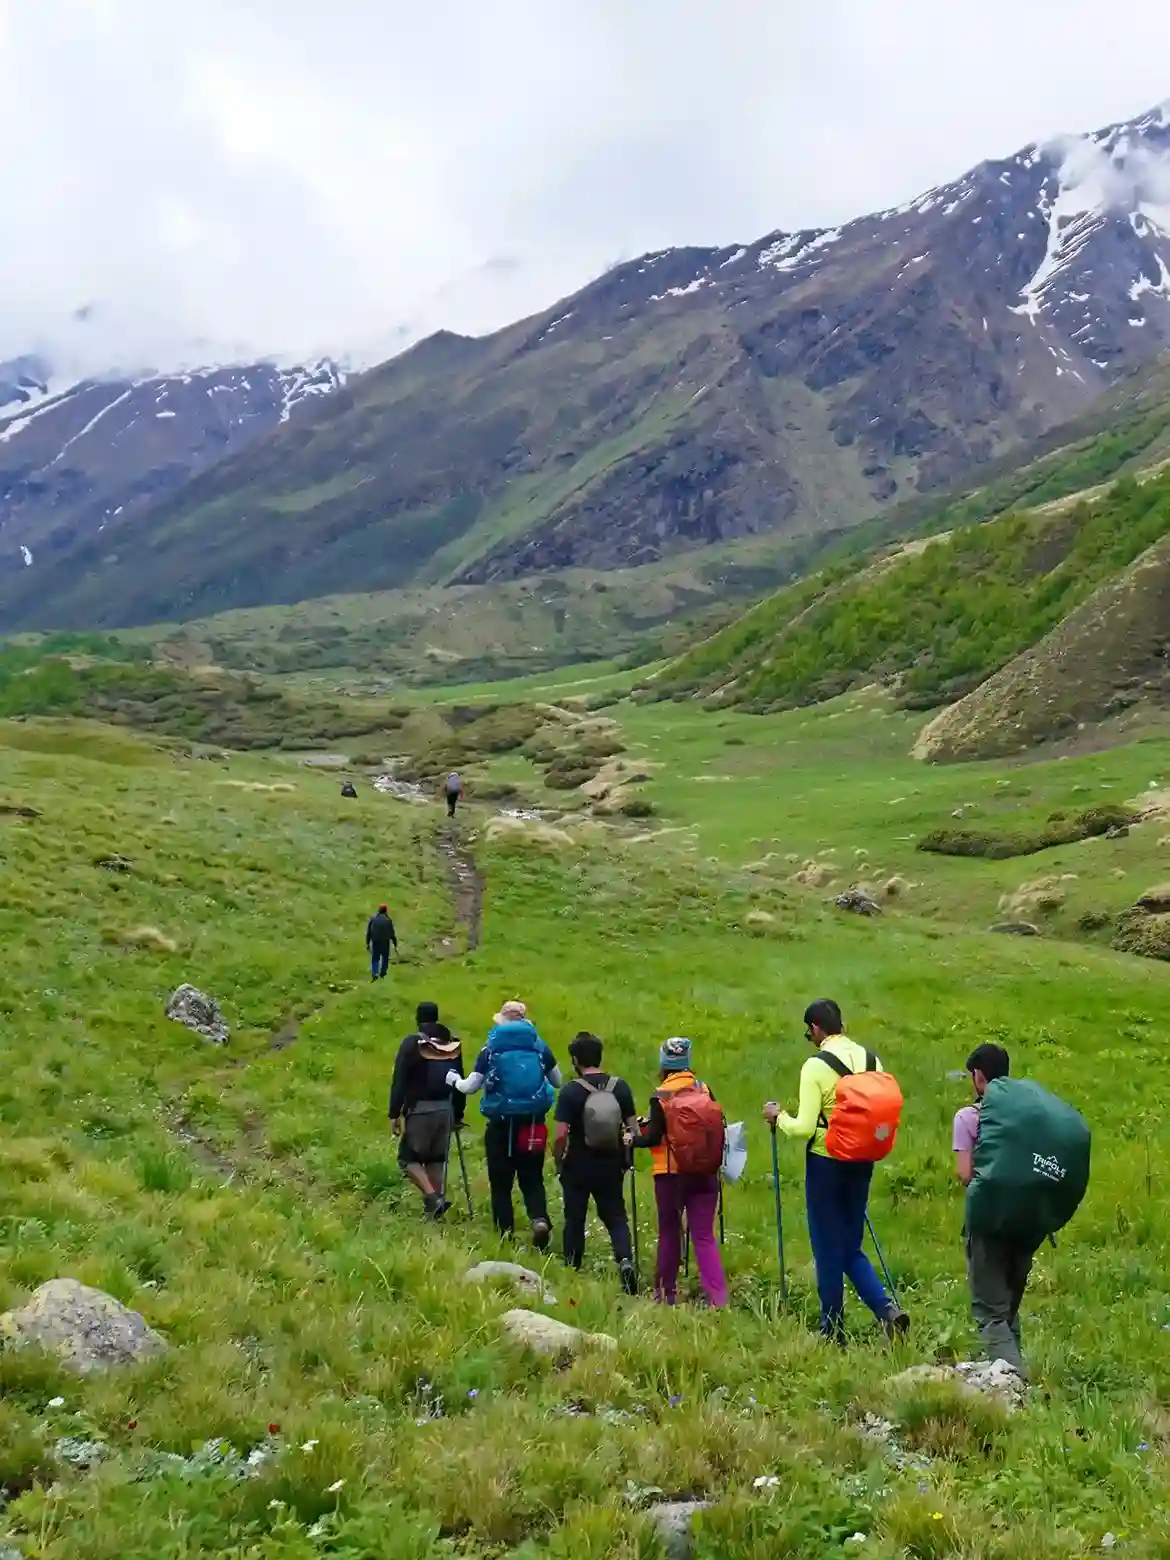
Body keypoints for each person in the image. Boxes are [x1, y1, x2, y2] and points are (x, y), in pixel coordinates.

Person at [764, 999, 908, 1344]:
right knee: (850, 1245)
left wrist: (778, 1117)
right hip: (864, 1159)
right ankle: (886, 1310)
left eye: (809, 1032)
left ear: (816, 1028)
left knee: (828, 1248)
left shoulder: (816, 1066)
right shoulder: (872, 1059)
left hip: (826, 1162)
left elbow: (803, 1128)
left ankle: (833, 1330)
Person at [449, 999, 560, 1247]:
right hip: (532, 1124)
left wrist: (454, 1080)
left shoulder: (490, 1049)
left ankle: (505, 1235)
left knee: (500, 1183)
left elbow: (471, 1086)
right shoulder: (539, 1046)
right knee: (532, 1178)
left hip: (500, 1125)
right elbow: (558, 1081)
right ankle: (539, 1220)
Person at [954, 1042, 1035, 1377]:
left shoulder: (969, 1117)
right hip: (1028, 1219)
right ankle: (1014, 1371)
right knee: (1009, 1308)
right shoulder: (1026, 1116)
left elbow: (965, 1174)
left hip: (988, 1220)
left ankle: (1014, 1382)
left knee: (990, 1312)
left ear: (978, 1076)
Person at [630, 1037, 728, 1308]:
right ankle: (718, 1298)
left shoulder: (661, 1096)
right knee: (704, 1237)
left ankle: (665, 1294)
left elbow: (653, 1137)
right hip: (706, 1171)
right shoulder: (703, 1089)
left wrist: (633, 1138)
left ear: (664, 1062)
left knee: (670, 1233)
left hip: (670, 1173)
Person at [554, 1032, 639, 1294]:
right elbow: (633, 1129)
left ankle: (572, 1269)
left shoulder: (571, 1091)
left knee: (575, 1217)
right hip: (611, 1163)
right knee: (616, 1216)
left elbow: (560, 1135)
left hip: (578, 1164)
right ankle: (625, 1261)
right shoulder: (620, 1087)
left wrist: (559, 1160)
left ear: (575, 1060)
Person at [389, 1002, 465, 1219]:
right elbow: (459, 1080)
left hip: (420, 1110)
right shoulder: (451, 1044)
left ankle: (433, 1198)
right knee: (435, 1159)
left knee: (407, 1159)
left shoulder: (413, 1043)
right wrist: (458, 1113)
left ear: (418, 1018)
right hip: (446, 1109)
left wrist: (394, 1113)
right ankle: (434, 1212)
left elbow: (400, 1079)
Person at [365, 905, 397, 980]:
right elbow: (392, 933)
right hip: (385, 942)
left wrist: (367, 943)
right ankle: (383, 973)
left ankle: (375, 973)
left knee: (375, 958)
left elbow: (369, 932)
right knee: (385, 958)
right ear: (386, 911)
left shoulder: (373, 919)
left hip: (376, 941)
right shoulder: (388, 920)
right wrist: (395, 943)